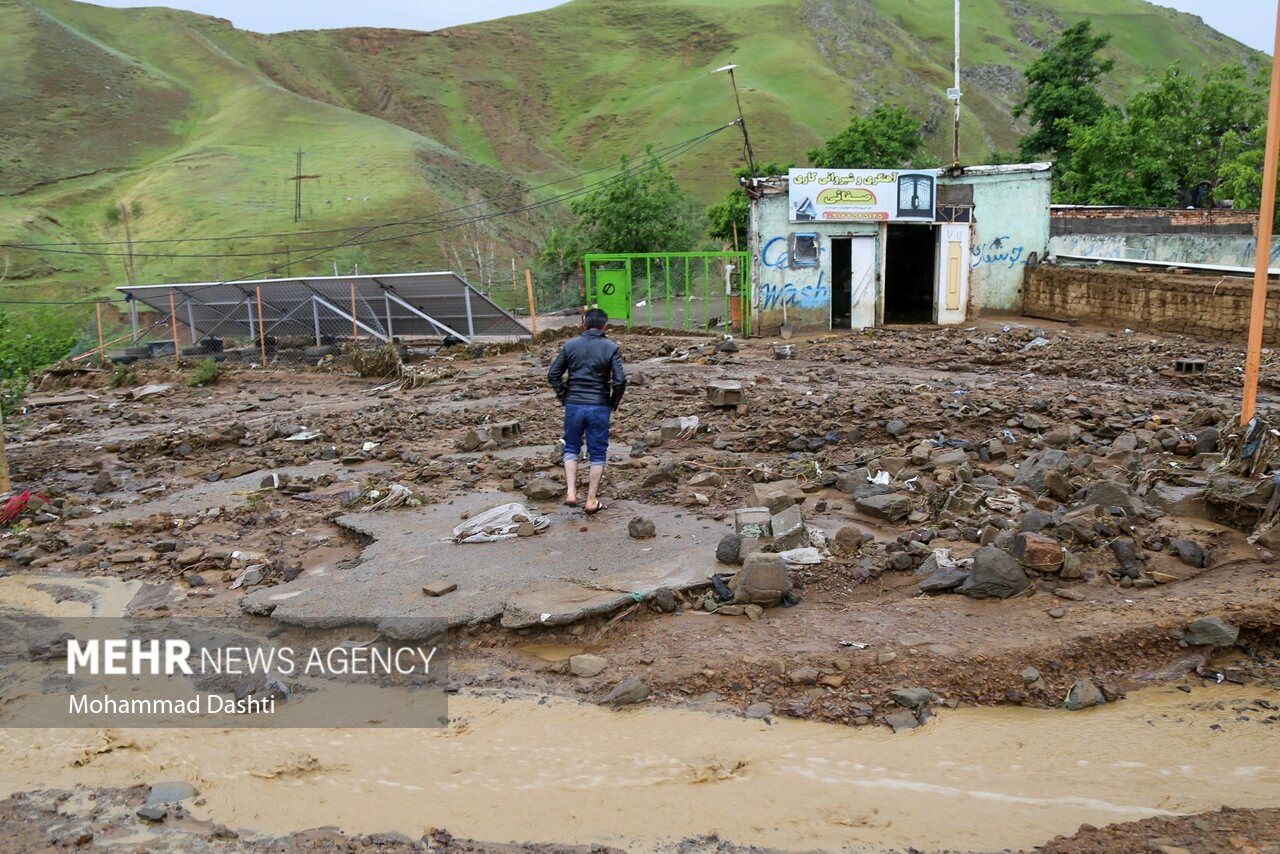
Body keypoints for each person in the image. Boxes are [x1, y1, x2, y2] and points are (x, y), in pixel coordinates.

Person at [547, 308, 627, 513]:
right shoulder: (611, 347)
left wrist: (564, 396)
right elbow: (620, 380)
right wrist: (612, 402)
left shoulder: (570, 345)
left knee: (571, 447)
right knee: (598, 453)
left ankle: (571, 492)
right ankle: (591, 500)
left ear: (583, 325)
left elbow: (553, 374)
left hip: (574, 405)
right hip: (599, 406)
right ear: (605, 326)